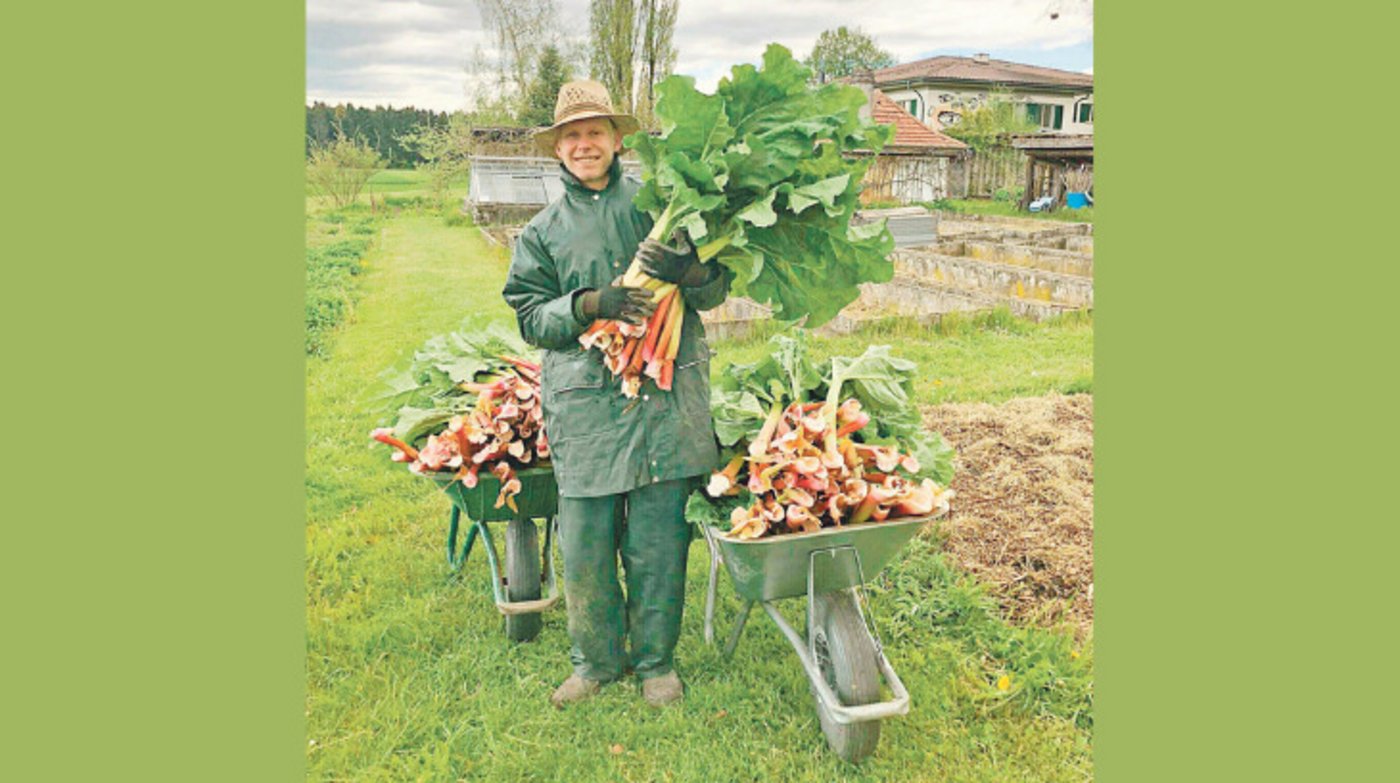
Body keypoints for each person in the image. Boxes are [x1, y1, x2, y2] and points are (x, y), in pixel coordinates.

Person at [501, 80, 732, 708]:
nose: (584, 145)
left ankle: (656, 661)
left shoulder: (661, 204)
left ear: (617, 139)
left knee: (660, 538)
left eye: (594, 133)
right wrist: (589, 304)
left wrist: (689, 272)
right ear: (557, 149)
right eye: (571, 136)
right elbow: (529, 317)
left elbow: (714, 289)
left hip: (665, 394)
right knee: (587, 542)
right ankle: (595, 662)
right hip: (587, 399)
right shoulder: (542, 232)